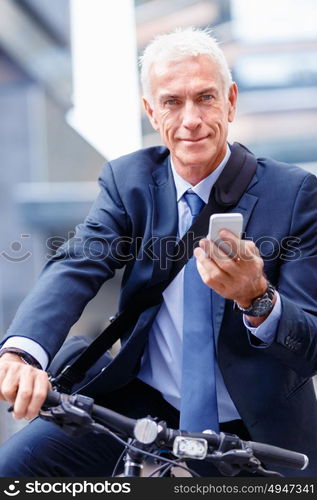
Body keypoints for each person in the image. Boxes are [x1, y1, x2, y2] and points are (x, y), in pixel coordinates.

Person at [0, 27, 316, 477]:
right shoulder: (128, 182)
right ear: (151, 110)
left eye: (205, 98)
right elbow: (76, 265)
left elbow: (311, 345)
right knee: (15, 470)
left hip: (256, 427)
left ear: (230, 101)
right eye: (172, 102)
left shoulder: (296, 194)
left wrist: (257, 298)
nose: (190, 119)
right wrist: (22, 353)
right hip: (144, 405)